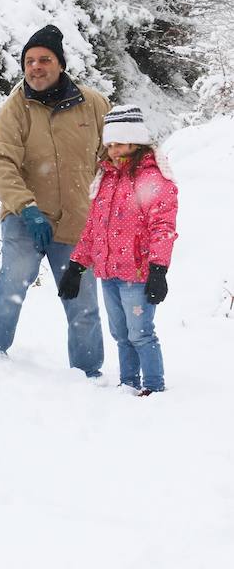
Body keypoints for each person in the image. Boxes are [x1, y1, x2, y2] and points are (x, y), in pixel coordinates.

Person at [0, 24, 110, 377]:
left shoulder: (93, 104)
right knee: (13, 285)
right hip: (25, 218)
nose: (36, 67)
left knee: (82, 301)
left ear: (60, 63)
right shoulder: (15, 109)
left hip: (76, 220)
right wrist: (26, 207)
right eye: (29, 61)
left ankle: (88, 373)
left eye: (44, 59)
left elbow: (114, 156)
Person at [58, 105, 178, 395]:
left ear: (136, 142)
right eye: (109, 144)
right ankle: (128, 384)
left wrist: (158, 270)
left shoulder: (153, 179)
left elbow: (163, 228)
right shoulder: (107, 178)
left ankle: (153, 388)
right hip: (109, 274)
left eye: (120, 143)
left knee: (140, 334)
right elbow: (93, 229)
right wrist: (76, 266)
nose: (113, 150)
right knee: (121, 334)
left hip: (137, 274)